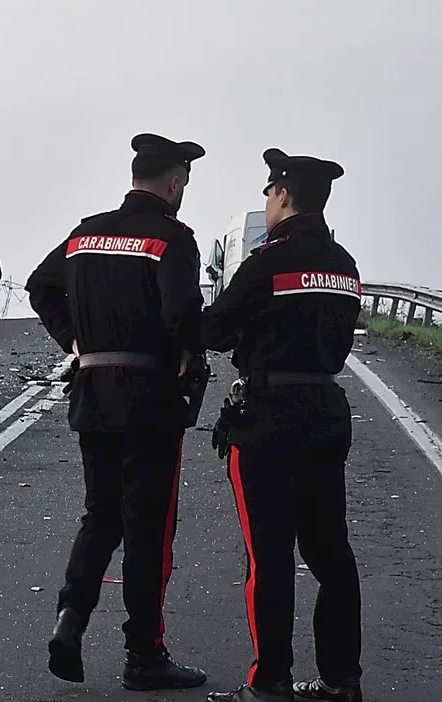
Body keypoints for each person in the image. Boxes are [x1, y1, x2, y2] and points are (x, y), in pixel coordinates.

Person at [25, 132, 208, 692]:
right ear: (175, 182)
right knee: (147, 528)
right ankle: (144, 654)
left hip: (93, 392)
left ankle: (70, 618)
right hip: (149, 398)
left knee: (100, 514)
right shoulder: (172, 237)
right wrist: (190, 350)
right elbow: (181, 314)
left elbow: (39, 286)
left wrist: (74, 341)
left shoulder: (84, 234)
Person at [202, 149, 363, 702]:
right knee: (330, 553)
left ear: (283, 196)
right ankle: (342, 680)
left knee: (268, 558)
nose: (266, 202)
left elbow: (214, 332)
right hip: (326, 412)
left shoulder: (267, 262)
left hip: (269, 417)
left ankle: (268, 682)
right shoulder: (344, 263)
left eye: (268, 193)